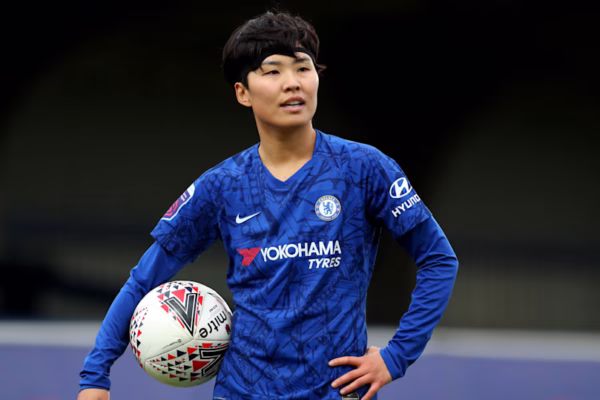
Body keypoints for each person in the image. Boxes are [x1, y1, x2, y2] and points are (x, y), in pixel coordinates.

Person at [78, 10, 458, 400]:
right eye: (272, 71)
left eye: (303, 68)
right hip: (242, 391)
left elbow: (438, 259)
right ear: (243, 92)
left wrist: (396, 356)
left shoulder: (363, 168)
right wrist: (94, 377)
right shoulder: (222, 185)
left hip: (336, 392)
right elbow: (143, 281)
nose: (293, 82)